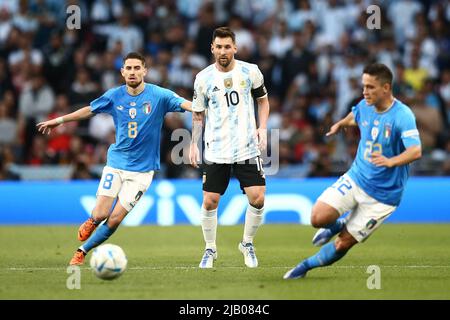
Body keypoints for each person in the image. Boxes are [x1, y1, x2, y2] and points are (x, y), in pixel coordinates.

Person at [37, 52, 192, 265]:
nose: (132, 72)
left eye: (137, 68)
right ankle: (92, 221)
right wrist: (60, 120)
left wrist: (203, 108)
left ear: (145, 71)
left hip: (143, 171)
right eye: (128, 68)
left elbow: (186, 104)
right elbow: (89, 110)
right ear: (122, 72)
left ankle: (82, 251)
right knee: (100, 213)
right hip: (117, 163)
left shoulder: (159, 95)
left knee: (116, 218)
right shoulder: (114, 96)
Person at [284, 63, 422, 279]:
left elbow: (415, 151)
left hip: (383, 197)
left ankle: (303, 268)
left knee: (343, 243)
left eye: (370, 87)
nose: (365, 91)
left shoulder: (403, 115)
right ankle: (336, 224)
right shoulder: (365, 105)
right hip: (356, 177)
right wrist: (340, 124)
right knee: (317, 218)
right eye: (363, 86)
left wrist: (391, 161)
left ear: (386, 88)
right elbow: (354, 117)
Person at [189, 27, 270, 268]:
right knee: (210, 201)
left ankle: (247, 243)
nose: (223, 51)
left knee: (258, 198)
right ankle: (210, 249)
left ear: (235, 47)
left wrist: (263, 127)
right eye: (219, 47)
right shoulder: (203, 78)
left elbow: (263, 101)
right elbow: (197, 114)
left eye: (227, 46)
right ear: (212, 48)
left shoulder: (250, 72)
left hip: (246, 146)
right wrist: (193, 143)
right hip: (216, 148)